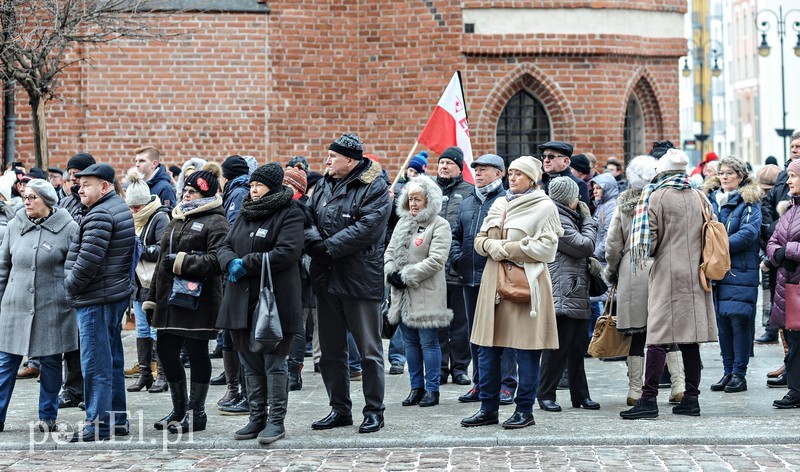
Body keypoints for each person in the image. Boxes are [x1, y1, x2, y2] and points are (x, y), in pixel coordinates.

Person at [461, 155, 562, 429]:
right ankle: (487, 408)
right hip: (493, 284)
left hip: (525, 285)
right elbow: (480, 240)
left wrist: (504, 249)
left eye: (519, 173)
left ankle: (524, 410)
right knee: (487, 349)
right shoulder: (500, 204)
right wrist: (492, 247)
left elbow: (547, 249)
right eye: (512, 173)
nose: (513, 177)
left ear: (532, 179)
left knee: (526, 351)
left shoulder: (544, 206)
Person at [620, 148, 717, 419]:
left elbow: (649, 243)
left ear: (662, 170)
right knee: (690, 339)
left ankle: (648, 399)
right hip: (696, 274)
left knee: (658, 338)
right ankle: (692, 399)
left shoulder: (656, 196)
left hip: (666, 274)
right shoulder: (699, 196)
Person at [306, 133, 391, 434]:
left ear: (351, 161)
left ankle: (374, 411)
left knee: (369, 351)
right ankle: (339, 409)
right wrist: (316, 244)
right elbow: (307, 218)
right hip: (326, 277)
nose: (327, 161)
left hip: (359, 278)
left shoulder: (374, 186)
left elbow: (368, 228)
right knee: (331, 351)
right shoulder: (323, 185)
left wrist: (327, 247)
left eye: (333, 156)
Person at [217, 163, 304, 444]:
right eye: (252, 185)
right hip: (240, 300)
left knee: (274, 362)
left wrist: (247, 262)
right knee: (249, 361)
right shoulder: (245, 212)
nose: (253, 190)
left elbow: (287, 251)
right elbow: (224, 245)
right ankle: (256, 417)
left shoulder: (290, 213)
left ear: (273, 186)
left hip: (273, 301)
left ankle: (276, 421)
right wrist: (229, 262)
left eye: (259, 185)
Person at [144, 162, 229, 434]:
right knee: (166, 353)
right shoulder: (176, 218)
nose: (186, 195)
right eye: (186, 190)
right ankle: (179, 410)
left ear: (206, 194)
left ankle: (196, 413)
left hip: (198, 302)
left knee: (197, 353)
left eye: (193, 191)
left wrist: (182, 261)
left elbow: (217, 260)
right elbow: (161, 263)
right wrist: (152, 298)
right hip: (169, 301)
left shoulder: (216, 220)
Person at [0, 180, 78, 433]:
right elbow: (3, 267)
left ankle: (47, 416)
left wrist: (67, 298)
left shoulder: (68, 228)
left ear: (47, 200)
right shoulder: (14, 226)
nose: (27, 201)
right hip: (15, 305)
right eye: (25, 196)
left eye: (33, 197)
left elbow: (74, 269)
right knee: (6, 363)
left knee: (51, 362)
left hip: (53, 307)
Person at [64, 163, 135, 441]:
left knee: (95, 364)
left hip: (96, 298)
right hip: (109, 295)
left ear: (104, 186)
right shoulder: (115, 207)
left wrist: (69, 287)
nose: (80, 189)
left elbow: (87, 263)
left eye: (86, 185)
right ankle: (117, 420)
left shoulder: (101, 214)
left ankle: (98, 424)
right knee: (112, 360)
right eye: (79, 184)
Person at [451, 154, 518, 405]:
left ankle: (507, 384)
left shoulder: (507, 200)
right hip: (469, 277)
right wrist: (457, 259)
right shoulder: (468, 201)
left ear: (499, 173)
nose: (477, 173)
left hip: (496, 277)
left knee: (503, 333)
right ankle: (480, 384)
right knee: (475, 335)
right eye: (476, 169)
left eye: (483, 169)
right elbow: (456, 236)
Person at [385, 176, 453, 408]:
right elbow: (389, 251)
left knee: (428, 342)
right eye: (410, 199)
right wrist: (390, 272)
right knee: (410, 343)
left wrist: (406, 276)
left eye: (418, 199)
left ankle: (432, 389)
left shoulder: (439, 224)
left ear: (429, 200)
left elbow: (436, 260)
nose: (413, 203)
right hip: (402, 295)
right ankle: (416, 388)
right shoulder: (402, 223)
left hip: (426, 292)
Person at [537, 177, 599, 413]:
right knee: (557, 347)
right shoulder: (557, 218)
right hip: (563, 291)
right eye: (576, 196)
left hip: (574, 289)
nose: (579, 200)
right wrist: (589, 220)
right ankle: (545, 394)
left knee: (576, 347)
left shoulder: (568, 216)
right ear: (568, 198)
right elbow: (584, 245)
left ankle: (580, 395)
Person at [604, 155, 661, 406]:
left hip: (632, 268)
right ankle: (678, 384)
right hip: (659, 267)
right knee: (664, 331)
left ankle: (635, 390)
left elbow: (612, 244)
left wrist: (612, 270)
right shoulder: (660, 201)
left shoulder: (624, 205)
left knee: (636, 333)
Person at [705, 157, 762, 394]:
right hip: (717, 271)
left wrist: (719, 247)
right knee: (723, 324)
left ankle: (740, 374)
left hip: (740, 271)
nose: (724, 177)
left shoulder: (749, 201)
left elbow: (749, 232)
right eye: (722, 172)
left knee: (739, 321)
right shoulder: (710, 200)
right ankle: (728, 371)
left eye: (729, 172)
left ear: (741, 176)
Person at [125, 170, 170, 394]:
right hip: (137, 284)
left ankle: (162, 375)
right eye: (131, 207)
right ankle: (145, 374)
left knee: (155, 330)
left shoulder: (159, 217)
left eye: (137, 207)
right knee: (141, 329)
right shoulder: (133, 219)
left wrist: (138, 248)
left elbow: (163, 249)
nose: (134, 211)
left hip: (153, 283)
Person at [434, 146, 473, 386]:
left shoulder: (470, 192)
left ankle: (460, 367)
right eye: (442, 162)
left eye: (449, 163)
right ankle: (439, 368)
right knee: (438, 322)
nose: (444, 166)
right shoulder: (429, 189)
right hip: (434, 269)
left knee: (460, 323)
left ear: (459, 168)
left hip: (458, 267)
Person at [759, 132, 800, 353]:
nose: (794, 149)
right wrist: (773, 235)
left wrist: (787, 250)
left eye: (799, 146)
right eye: (792, 146)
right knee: (788, 321)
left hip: (793, 263)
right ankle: (788, 363)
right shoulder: (785, 177)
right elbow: (768, 205)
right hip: (783, 266)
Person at [767, 158, 800, 408]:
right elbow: (772, 241)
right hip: (787, 287)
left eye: (793, 176)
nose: (788, 181)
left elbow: (785, 245)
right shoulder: (789, 209)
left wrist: (787, 251)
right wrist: (777, 253)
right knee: (793, 341)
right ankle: (795, 391)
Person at [221, 155, 251, 226]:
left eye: (221, 176)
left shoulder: (239, 193)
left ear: (226, 178)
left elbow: (233, 224)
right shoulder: (235, 190)